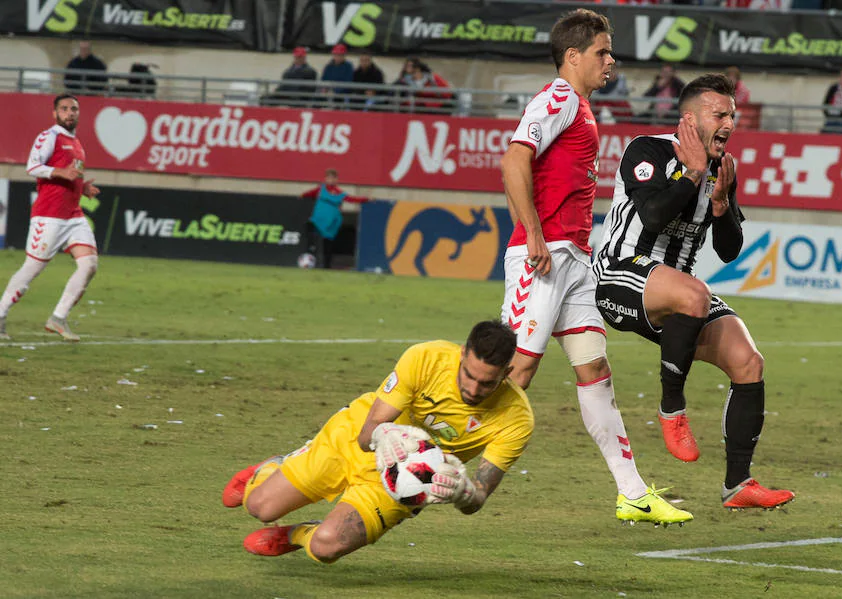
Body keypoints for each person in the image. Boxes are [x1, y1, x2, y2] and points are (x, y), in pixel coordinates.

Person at [499, 8, 692, 527]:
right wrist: (535, 233)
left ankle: (630, 492)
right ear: (573, 56)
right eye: (603, 52)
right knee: (516, 370)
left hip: (573, 262)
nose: (612, 60)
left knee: (595, 369)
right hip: (542, 258)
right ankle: (437, 455)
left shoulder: (580, 107)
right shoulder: (558, 98)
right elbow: (514, 159)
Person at [593, 73, 796, 510]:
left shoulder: (723, 168)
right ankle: (671, 409)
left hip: (681, 292)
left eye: (733, 115)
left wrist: (722, 206)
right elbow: (651, 217)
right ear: (690, 118)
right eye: (719, 114)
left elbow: (728, 249)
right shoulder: (647, 149)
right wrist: (692, 174)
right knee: (694, 293)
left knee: (748, 361)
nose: (729, 122)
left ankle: (738, 485)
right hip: (620, 273)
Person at [221, 320, 535, 562]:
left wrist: (464, 491)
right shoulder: (426, 358)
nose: (474, 389)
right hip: (353, 438)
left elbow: (478, 497)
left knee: (326, 546)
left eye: (487, 383)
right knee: (259, 506)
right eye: (468, 375)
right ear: (462, 354)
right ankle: (274, 467)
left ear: (507, 373)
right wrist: (387, 434)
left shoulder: (517, 418)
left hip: (402, 481)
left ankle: (295, 535)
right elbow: (366, 433)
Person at [0, 94, 100, 342]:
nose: (70, 113)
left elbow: (69, 175)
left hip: (73, 215)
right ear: (55, 114)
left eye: (74, 109)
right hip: (49, 216)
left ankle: (58, 318)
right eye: (64, 109)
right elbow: (32, 166)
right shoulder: (50, 136)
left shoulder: (77, 143)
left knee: (89, 265)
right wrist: (60, 172)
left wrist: (81, 187)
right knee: (32, 269)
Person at [298, 169, 369, 269]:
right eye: (328, 178)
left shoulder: (340, 194)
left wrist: (366, 199)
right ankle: (311, 251)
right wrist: (302, 195)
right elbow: (310, 193)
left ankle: (327, 266)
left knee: (328, 244)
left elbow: (352, 199)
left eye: (332, 178)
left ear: (336, 180)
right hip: (318, 219)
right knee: (310, 228)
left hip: (330, 222)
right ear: (325, 179)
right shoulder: (320, 189)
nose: (330, 180)